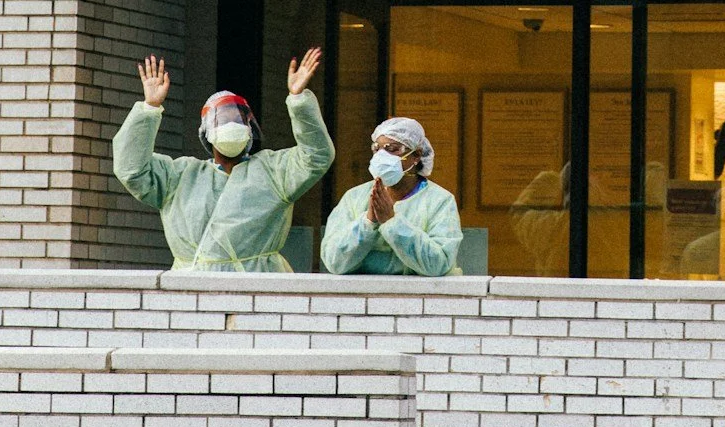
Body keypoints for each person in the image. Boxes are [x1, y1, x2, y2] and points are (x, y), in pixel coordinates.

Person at [113, 49, 331, 271]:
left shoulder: (273, 171)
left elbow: (316, 156)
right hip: (192, 294)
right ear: (206, 132)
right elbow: (132, 170)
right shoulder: (180, 176)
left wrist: (298, 100)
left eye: (238, 119)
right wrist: (149, 108)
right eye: (223, 119)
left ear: (249, 128)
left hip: (259, 291)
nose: (232, 124)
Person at [320, 114, 463, 277]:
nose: (382, 156)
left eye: (392, 149)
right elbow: (333, 262)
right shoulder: (355, 198)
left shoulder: (439, 201)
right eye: (377, 149)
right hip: (364, 296)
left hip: (422, 297)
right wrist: (368, 223)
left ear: (416, 155)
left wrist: (393, 223)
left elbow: (439, 263)